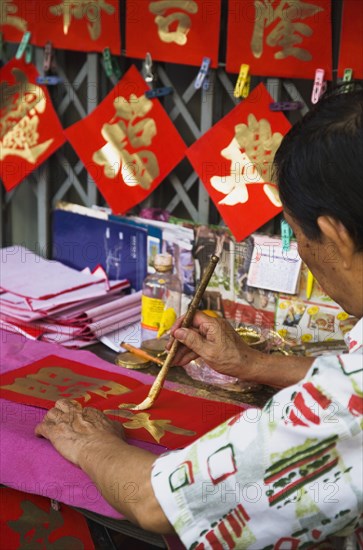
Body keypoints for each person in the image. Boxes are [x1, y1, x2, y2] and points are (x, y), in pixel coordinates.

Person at [35, 90, 363, 548]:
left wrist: (92, 443)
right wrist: (251, 364)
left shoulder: (345, 412)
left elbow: (158, 502)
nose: (303, 252)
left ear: (335, 234)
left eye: (294, 230)